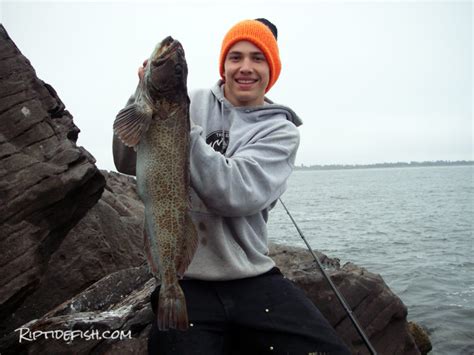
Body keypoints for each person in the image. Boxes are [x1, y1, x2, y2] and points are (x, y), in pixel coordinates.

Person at [113, 18, 351, 355]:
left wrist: (179, 123)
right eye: (235, 57)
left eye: (258, 58)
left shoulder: (280, 132)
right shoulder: (191, 99)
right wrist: (141, 100)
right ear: (223, 65)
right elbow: (126, 162)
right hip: (187, 281)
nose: (246, 68)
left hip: (252, 278)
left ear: (272, 69)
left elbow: (234, 193)